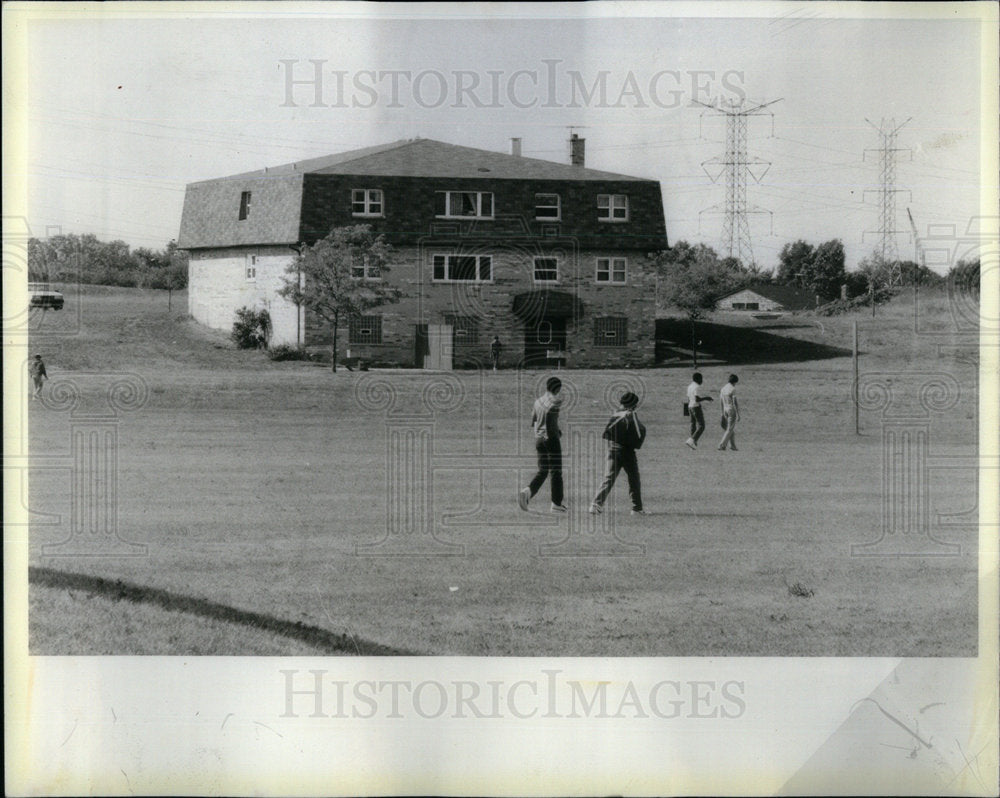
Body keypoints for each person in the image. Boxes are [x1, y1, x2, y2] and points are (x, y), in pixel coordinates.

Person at [589, 391, 646, 516]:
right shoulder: (631, 414)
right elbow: (639, 431)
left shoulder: (616, 414)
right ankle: (637, 508)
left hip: (612, 449)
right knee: (634, 479)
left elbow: (608, 433)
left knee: (608, 478)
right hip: (626, 452)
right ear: (633, 404)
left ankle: (596, 504)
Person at [519, 376, 567, 512]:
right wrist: (554, 434)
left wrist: (545, 433)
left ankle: (527, 492)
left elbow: (534, 421)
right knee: (556, 472)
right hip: (550, 438)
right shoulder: (556, 401)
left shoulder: (538, 401)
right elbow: (550, 419)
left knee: (543, 471)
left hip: (539, 439)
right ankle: (556, 504)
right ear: (558, 388)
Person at [685, 371, 713, 449]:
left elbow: (688, 398)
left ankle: (692, 444)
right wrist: (707, 398)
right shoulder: (696, 387)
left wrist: (687, 409)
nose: (702, 381)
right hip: (696, 407)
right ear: (697, 379)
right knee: (701, 426)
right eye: (701, 379)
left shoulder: (689, 386)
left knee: (693, 424)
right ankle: (691, 440)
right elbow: (697, 399)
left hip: (690, 406)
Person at [718, 374, 740, 451]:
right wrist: (738, 414)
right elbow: (735, 402)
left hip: (725, 409)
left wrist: (722, 412)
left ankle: (733, 445)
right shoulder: (733, 389)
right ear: (734, 382)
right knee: (730, 429)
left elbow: (721, 401)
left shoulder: (723, 389)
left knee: (730, 429)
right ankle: (722, 445)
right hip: (731, 409)